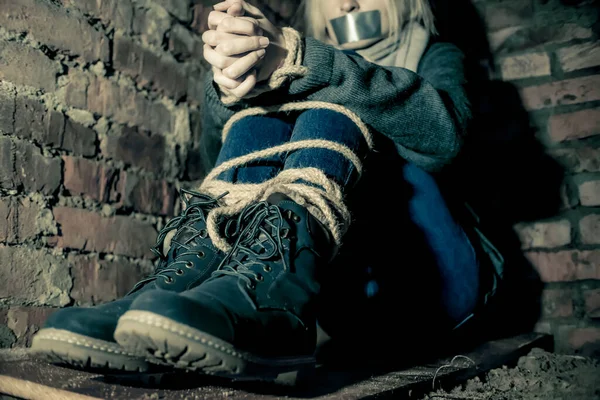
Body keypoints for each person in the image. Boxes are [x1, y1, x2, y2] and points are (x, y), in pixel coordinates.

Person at [31, 0, 503, 380]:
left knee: (334, 109)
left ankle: (274, 304)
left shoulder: (436, 55)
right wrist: (235, 84)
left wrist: (306, 63)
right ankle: (194, 293)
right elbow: (214, 145)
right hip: (342, 302)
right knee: (261, 111)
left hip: (436, 285)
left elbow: (446, 139)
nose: (351, 2)